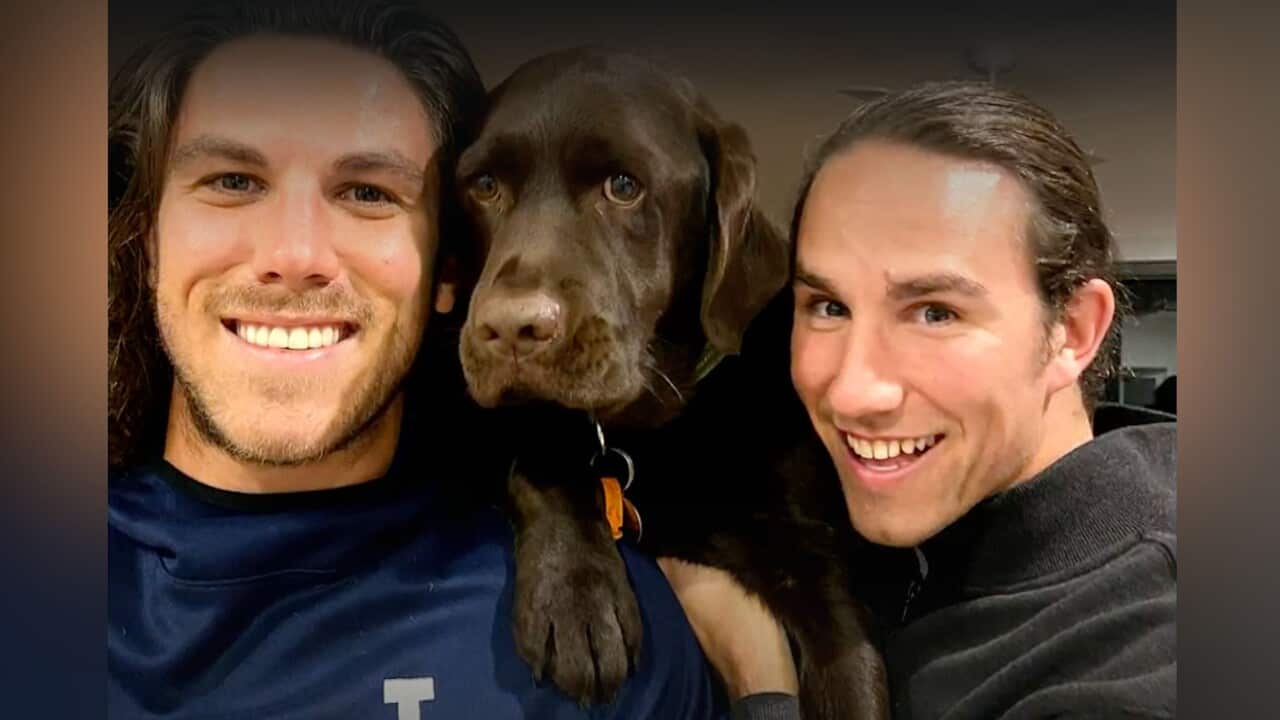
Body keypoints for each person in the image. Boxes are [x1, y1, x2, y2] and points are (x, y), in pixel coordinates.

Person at [107, 2, 775, 717]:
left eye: (367, 193)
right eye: (233, 181)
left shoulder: (622, 631)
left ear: (452, 268)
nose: (294, 257)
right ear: (145, 235)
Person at [667, 81, 1176, 719]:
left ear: (1071, 332)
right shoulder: (891, 518)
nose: (854, 390)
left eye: (935, 312)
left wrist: (761, 685)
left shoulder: (1148, 657)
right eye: (829, 307)